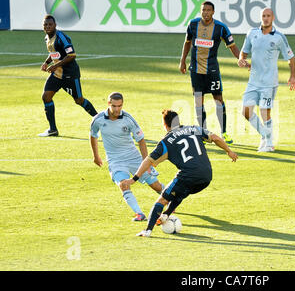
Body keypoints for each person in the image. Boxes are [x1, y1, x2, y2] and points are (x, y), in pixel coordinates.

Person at [121, 109, 238, 237]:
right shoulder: (195, 129)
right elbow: (215, 137)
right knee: (182, 192)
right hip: (207, 175)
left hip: (188, 174)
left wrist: (134, 179)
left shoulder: (165, 142)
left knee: (162, 199)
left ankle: (147, 230)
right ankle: (166, 215)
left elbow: (148, 161)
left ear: (165, 125)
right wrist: (229, 151)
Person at [90, 92, 165, 221]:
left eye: (120, 106)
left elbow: (141, 140)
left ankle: (171, 199)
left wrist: (146, 161)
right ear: (109, 104)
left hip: (134, 158)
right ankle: (139, 214)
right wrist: (96, 156)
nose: (117, 109)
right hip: (116, 161)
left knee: (156, 186)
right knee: (123, 184)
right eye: (114, 106)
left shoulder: (128, 119)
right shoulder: (98, 120)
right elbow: (93, 135)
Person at [179, 1, 241, 145]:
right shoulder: (193, 25)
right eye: (203, 10)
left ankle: (224, 132)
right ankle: (203, 133)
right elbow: (187, 42)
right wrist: (182, 61)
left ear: (213, 12)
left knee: (218, 100)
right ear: (201, 11)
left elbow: (232, 46)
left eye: (208, 10)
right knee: (198, 101)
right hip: (195, 71)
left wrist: (241, 59)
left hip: (212, 70)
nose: (206, 12)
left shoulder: (220, 28)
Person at [238, 7, 295, 152]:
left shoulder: (279, 37)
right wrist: (241, 60)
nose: (265, 18)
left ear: (273, 18)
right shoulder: (252, 33)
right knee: (245, 111)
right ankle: (265, 135)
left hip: (269, 83)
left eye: (268, 16)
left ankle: (269, 144)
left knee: (265, 111)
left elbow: (291, 57)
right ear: (261, 17)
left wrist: (293, 76)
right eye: (263, 16)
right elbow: (243, 52)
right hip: (253, 81)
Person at [39, 14, 97, 137]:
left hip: (70, 74)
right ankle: (53, 129)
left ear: (55, 25)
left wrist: (55, 65)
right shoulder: (47, 38)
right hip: (57, 74)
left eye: (50, 24)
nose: (48, 26)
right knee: (46, 96)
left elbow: (71, 55)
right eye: (45, 24)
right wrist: (46, 62)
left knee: (79, 100)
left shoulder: (62, 37)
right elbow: (54, 52)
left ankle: (101, 120)